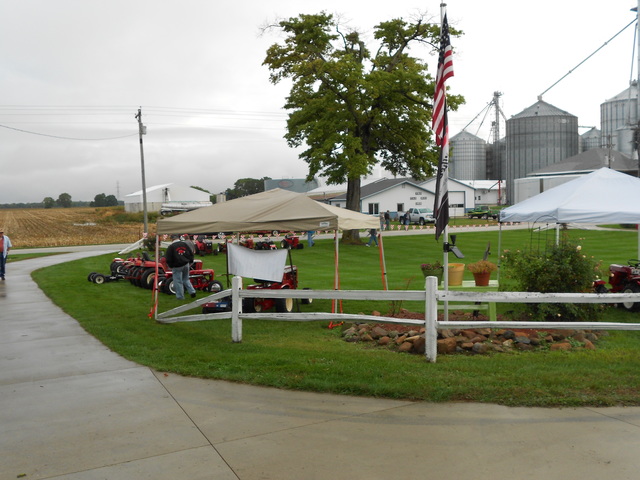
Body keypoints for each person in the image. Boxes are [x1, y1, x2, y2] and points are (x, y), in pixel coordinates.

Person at [165, 235, 196, 300]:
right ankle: (192, 291)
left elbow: (168, 258)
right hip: (186, 264)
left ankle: (180, 297)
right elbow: (190, 253)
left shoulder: (171, 247)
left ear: (172, 239)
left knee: (178, 281)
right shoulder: (184, 244)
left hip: (177, 266)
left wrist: (171, 265)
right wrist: (190, 261)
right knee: (186, 279)